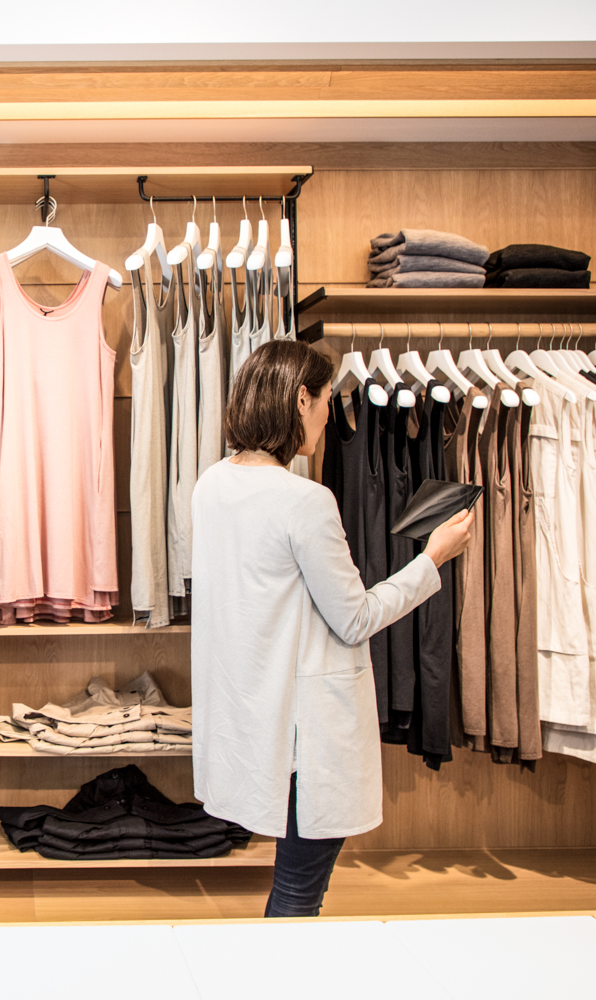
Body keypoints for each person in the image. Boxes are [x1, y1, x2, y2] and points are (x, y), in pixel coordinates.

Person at [190, 340, 472, 918]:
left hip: (251, 719)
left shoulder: (211, 485)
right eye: (324, 401)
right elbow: (355, 618)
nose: (326, 416)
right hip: (305, 733)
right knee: (300, 891)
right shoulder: (306, 501)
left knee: (296, 885)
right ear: (300, 400)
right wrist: (433, 558)